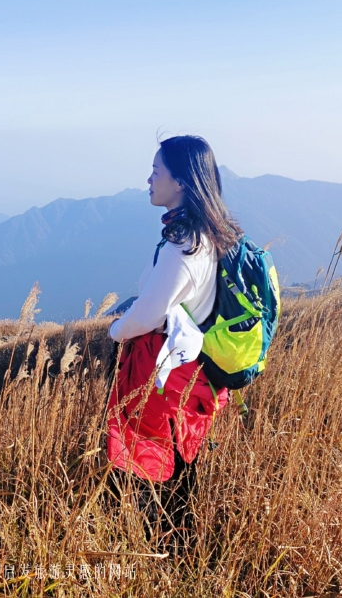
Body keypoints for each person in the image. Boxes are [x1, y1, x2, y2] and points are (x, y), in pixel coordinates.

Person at [105, 134, 243, 537]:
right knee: (180, 464)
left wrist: (116, 330)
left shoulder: (184, 243)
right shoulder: (207, 234)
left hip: (166, 376)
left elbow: (148, 313)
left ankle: (160, 547)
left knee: (155, 468)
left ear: (180, 181)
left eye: (155, 171)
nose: (148, 179)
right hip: (193, 372)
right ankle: (179, 547)